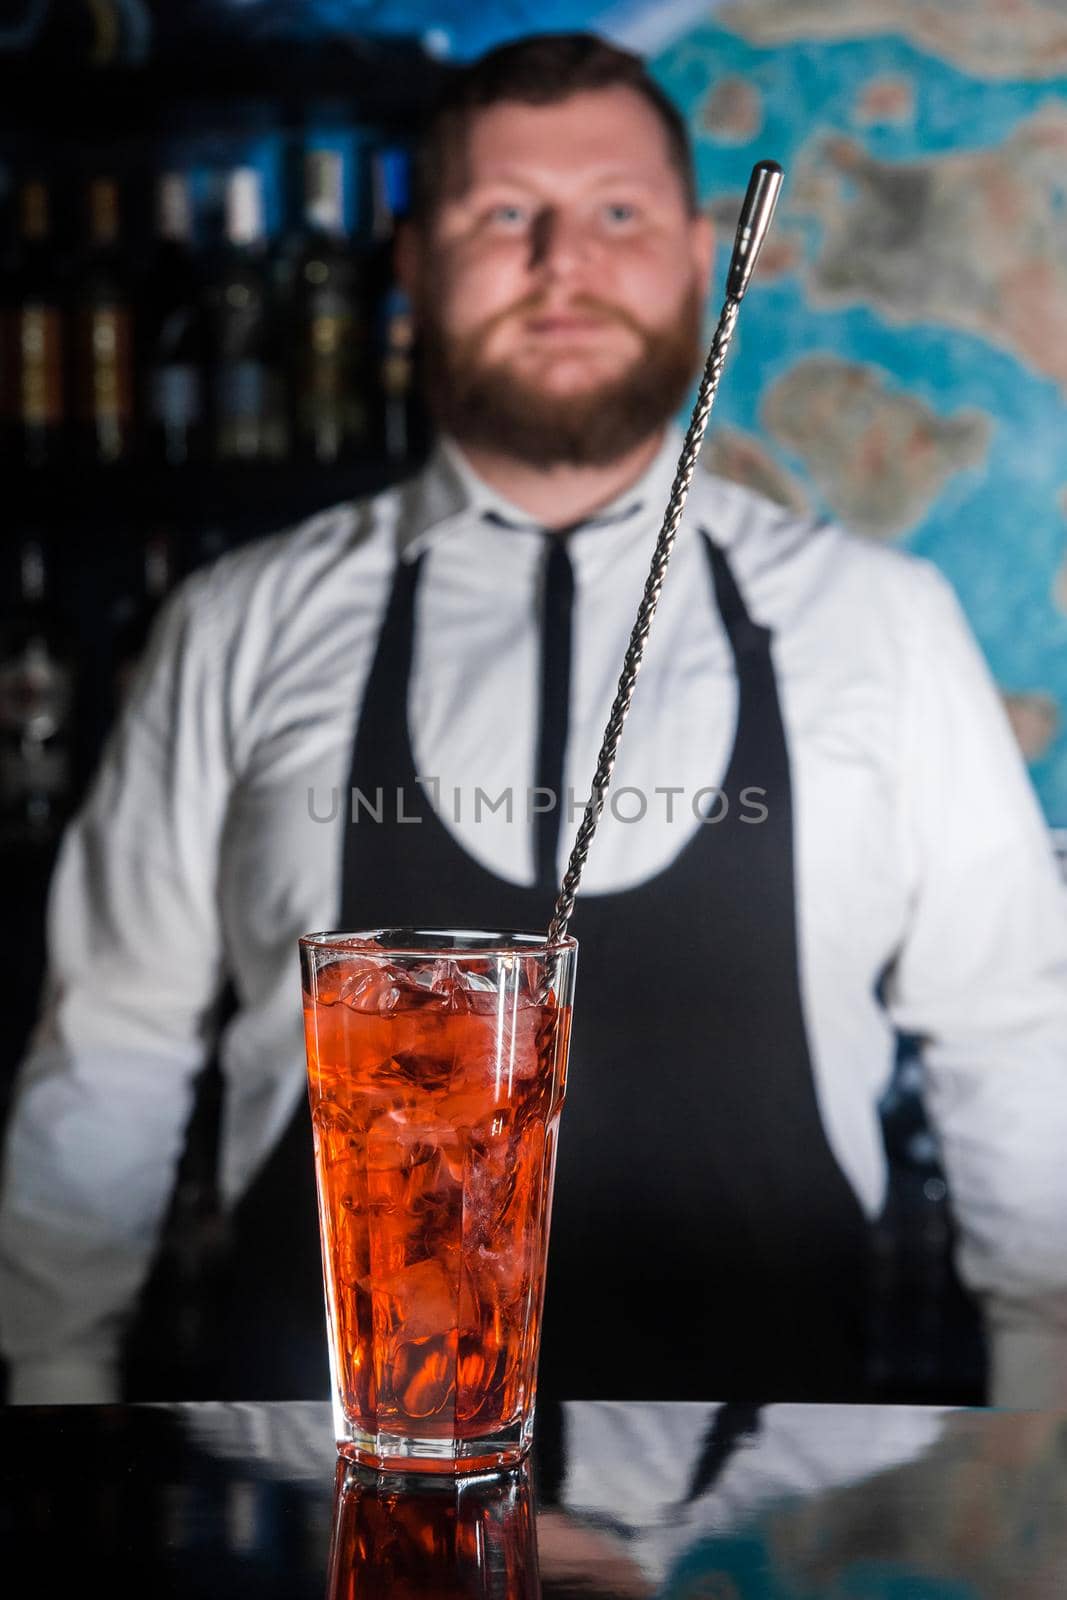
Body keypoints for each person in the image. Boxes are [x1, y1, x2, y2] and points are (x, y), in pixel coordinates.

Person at [2, 32, 1066, 1409]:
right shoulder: (239, 620)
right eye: (505, 215)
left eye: (617, 214)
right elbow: (115, 1048)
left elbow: (1015, 1043)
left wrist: (1045, 1448)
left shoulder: (882, 620)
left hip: (783, 1519)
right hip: (319, 1501)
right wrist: (45, 1409)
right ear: (412, 265)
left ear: (700, 252)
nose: (564, 263)